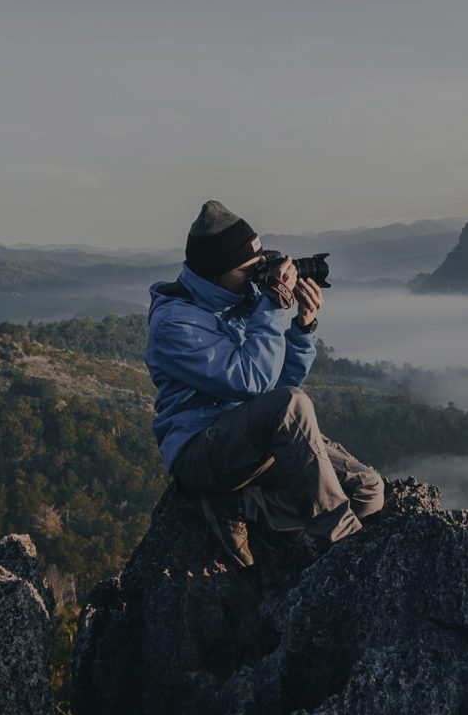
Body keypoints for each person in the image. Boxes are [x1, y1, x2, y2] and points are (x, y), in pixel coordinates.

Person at [145, 200, 384, 568]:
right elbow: (254, 383)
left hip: (249, 443)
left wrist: (302, 329)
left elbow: (277, 387)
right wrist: (271, 306)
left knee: (367, 491)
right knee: (293, 405)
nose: (258, 276)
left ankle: (243, 504)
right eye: (249, 270)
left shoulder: (240, 301)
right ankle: (342, 546)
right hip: (200, 452)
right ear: (216, 271)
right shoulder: (175, 324)